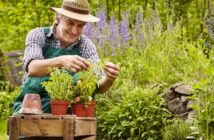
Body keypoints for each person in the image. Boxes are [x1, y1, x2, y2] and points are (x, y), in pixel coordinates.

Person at [13, 0, 119, 113]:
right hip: (32, 110)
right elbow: (32, 68)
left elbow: (99, 85)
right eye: (70, 23)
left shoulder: (86, 45)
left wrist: (109, 79)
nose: (74, 31)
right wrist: (61, 61)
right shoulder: (39, 35)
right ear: (58, 19)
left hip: (71, 114)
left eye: (80, 26)